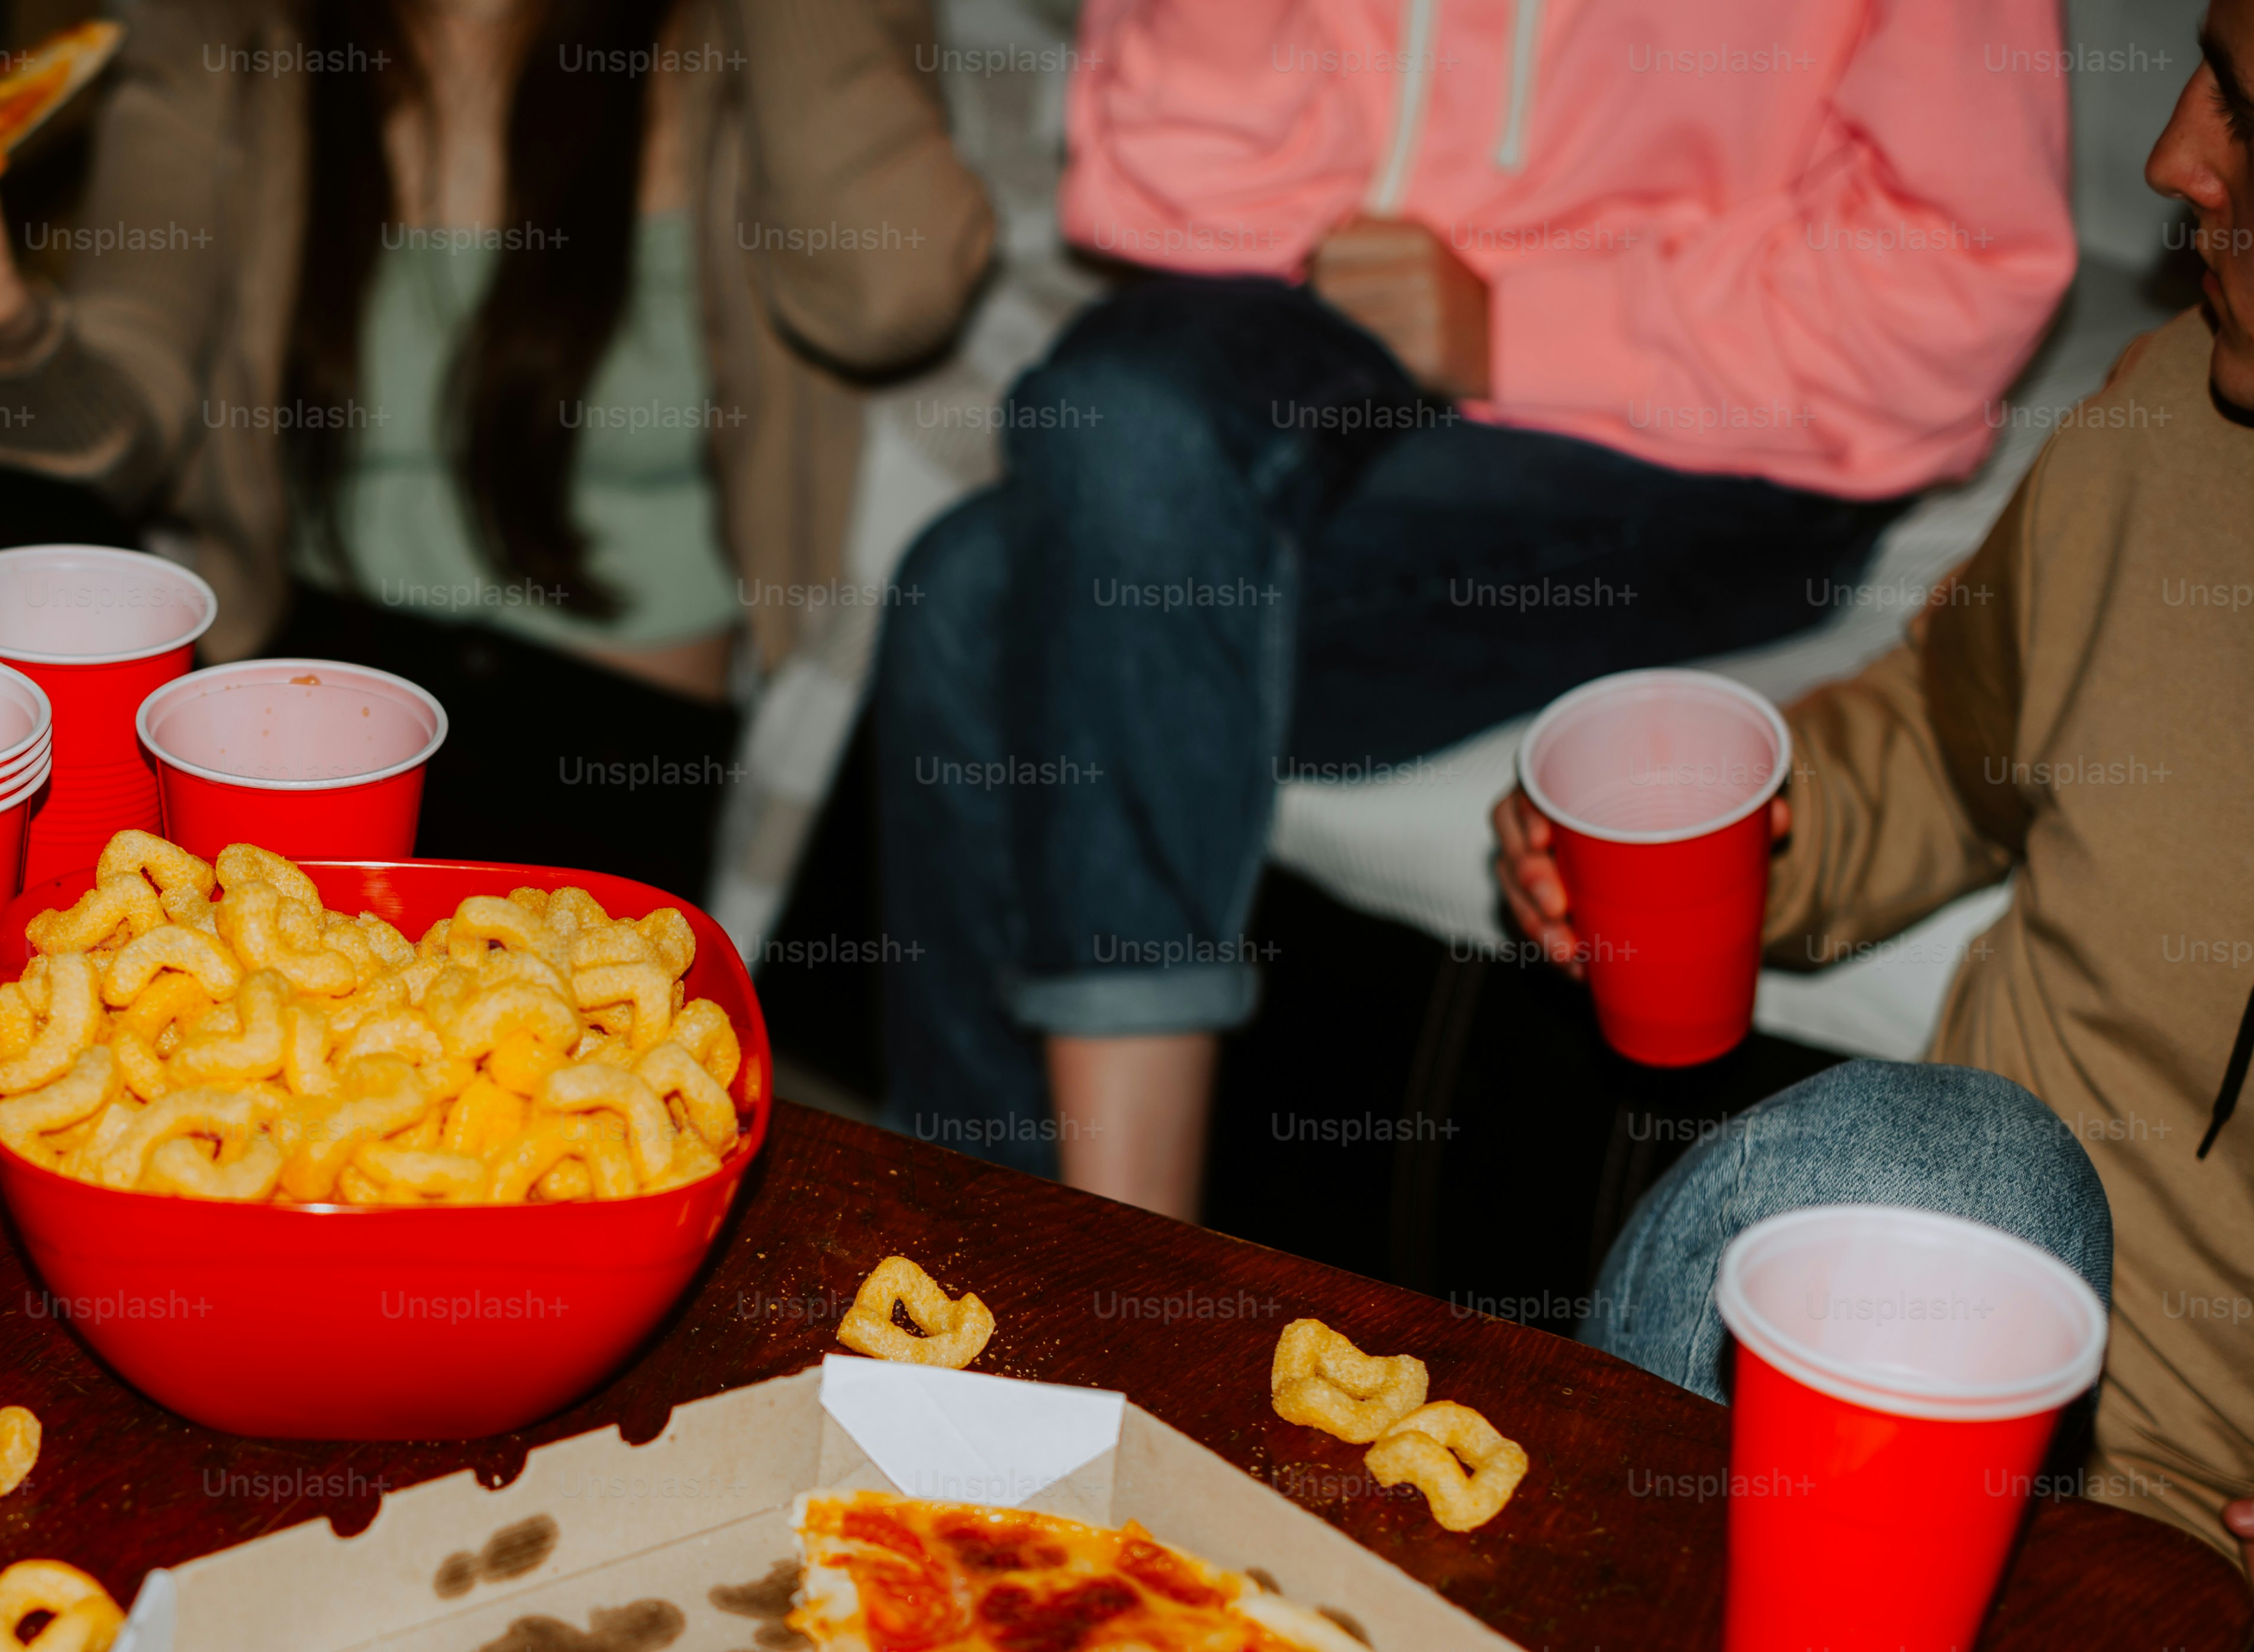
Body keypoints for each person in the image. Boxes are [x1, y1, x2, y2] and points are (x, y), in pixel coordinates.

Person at [1496, 1, 2254, 1652]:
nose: (2167, 158)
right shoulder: (2164, 437)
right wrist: (1730, 835)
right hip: (1878, 1508)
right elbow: (1935, 731)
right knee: (1926, 1157)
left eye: (2250, 106)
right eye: (2194, 61)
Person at [875, 0, 2075, 1215]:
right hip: (1345, 332)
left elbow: (1959, 273)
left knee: (976, 601)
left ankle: (1087, 1263)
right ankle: (1031, 1286)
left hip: (1724, 428)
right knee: (1060, 481)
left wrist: (1519, 326)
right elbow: (1177, 199)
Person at [0, 0, 991, 902]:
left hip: (607, 740)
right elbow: (112, 424)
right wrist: (3, 334)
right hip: (291, 699)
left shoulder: (741, 36)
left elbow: (892, 298)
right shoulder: (230, 38)